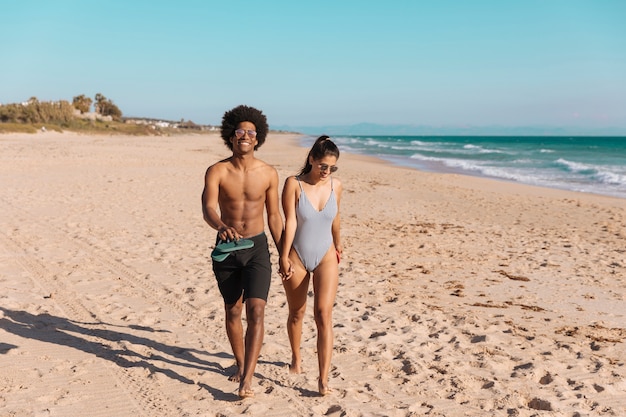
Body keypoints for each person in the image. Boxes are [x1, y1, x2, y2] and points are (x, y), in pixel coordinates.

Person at [201, 105, 283, 399]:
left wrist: (284, 252)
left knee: (257, 311)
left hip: (257, 248)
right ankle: (239, 362)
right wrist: (221, 226)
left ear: (258, 138)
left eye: (251, 132)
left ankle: (246, 379)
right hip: (227, 249)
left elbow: (275, 216)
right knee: (233, 310)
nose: (245, 136)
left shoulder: (269, 173)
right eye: (240, 131)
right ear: (231, 136)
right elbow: (208, 207)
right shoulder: (217, 171)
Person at [279, 135, 343, 396]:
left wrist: (339, 245)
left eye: (332, 167)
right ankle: (296, 357)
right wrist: (283, 255)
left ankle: (323, 379)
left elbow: (335, 218)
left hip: (326, 255)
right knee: (297, 312)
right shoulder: (293, 184)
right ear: (312, 160)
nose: (327, 172)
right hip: (297, 256)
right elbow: (290, 222)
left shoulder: (336, 186)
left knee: (323, 315)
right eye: (323, 166)